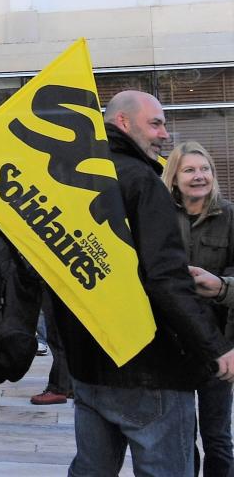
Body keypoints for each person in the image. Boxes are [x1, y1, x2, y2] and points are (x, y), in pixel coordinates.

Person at [53, 91, 234, 477]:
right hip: (151, 369)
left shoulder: (71, 179)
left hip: (90, 367)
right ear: (123, 123)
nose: (164, 134)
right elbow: (164, 278)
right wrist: (215, 346)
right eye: (156, 123)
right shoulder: (143, 180)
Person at [164, 141, 234, 477]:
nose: (199, 176)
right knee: (180, 439)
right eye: (189, 170)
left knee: (218, 436)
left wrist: (219, 285)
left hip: (218, 344)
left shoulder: (230, 215)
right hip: (171, 345)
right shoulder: (157, 216)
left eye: (204, 169)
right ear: (174, 176)